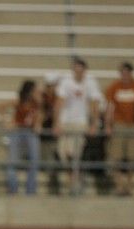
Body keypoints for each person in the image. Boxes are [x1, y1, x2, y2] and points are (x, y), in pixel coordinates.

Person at [53, 57, 103, 195]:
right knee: (64, 153)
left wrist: (93, 124)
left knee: (75, 153)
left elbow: (95, 104)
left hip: (81, 122)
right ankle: (74, 180)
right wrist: (57, 122)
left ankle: (75, 183)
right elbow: (59, 102)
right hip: (66, 122)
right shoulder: (66, 82)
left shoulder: (91, 83)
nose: (78, 73)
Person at [104, 62, 134, 196]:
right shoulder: (114, 87)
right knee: (116, 156)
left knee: (132, 157)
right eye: (123, 73)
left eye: (127, 73)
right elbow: (110, 107)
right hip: (119, 124)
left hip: (132, 125)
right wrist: (108, 125)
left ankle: (129, 185)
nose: (125, 76)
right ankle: (119, 185)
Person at [0, 80, 42, 195]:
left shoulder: (36, 103)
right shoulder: (19, 101)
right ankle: (13, 189)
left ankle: (30, 190)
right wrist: (5, 122)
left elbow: (38, 116)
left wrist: (38, 124)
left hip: (30, 132)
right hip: (18, 131)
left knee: (34, 161)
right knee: (13, 161)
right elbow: (1, 106)